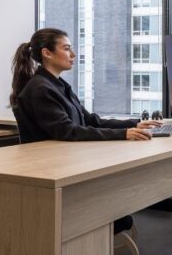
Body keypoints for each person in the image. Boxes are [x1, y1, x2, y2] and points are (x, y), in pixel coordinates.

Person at [10, 27, 162, 235]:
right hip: (52, 173)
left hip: (68, 165)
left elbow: (90, 120)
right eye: (66, 49)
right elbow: (69, 131)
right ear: (47, 53)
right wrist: (123, 134)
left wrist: (133, 125)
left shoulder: (58, 86)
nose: (73, 55)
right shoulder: (40, 89)